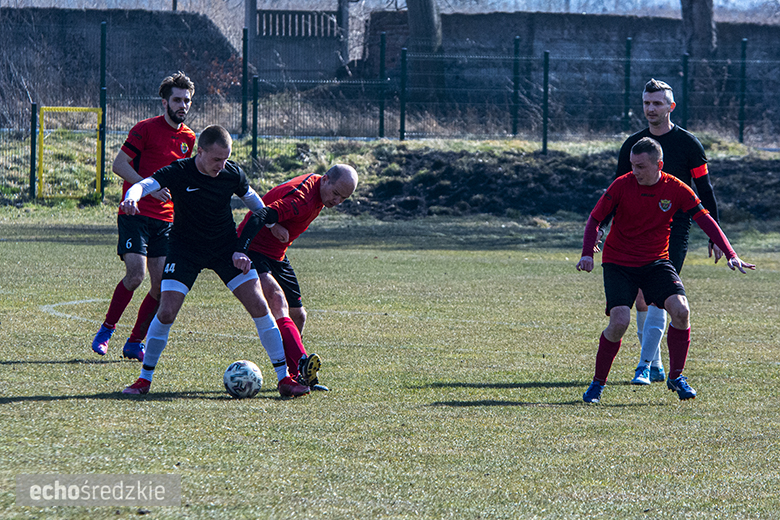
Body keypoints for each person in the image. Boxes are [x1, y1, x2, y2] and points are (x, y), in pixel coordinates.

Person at [118, 125, 310, 398]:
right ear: (201, 151)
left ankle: (284, 379)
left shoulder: (231, 173)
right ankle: (144, 380)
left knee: (258, 304)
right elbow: (144, 185)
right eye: (216, 159)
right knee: (167, 310)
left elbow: (256, 203)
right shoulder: (179, 170)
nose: (222, 165)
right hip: (185, 250)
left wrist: (271, 224)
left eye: (226, 159)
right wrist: (131, 198)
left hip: (225, 248)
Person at [576, 137, 754, 404]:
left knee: (681, 311)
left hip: (656, 262)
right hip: (619, 263)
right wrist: (587, 253)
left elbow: (704, 218)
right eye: (632, 165)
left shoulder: (676, 188)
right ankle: (598, 383)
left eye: (641, 166)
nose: (634, 171)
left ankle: (676, 377)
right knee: (619, 322)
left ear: (659, 164)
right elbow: (595, 218)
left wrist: (731, 253)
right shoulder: (622, 185)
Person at [613, 78, 722, 386]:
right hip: (636, 231)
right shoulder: (633, 146)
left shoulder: (688, 144)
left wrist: (714, 232)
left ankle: (644, 366)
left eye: (657, 103)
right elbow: (616, 191)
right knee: (640, 298)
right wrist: (602, 228)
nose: (651, 108)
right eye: (647, 103)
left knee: (660, 295)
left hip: (675, 229)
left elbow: (705, 189)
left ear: (670, 107)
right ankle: (655, 361)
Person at [91, 72, 196, 362]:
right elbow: (119, 164)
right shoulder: (145, 129)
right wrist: (147, 190)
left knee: (161, 287)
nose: (183, 105)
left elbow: (181, 179)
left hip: (165, 220)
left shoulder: (189, 138)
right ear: (165, 102)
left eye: (187, 101)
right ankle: (106, 330)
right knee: (135, 275)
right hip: (135, 212)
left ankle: (135, 342)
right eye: (177, 100)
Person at [235, 164, 359, 391]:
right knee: (276, 300)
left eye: (344, 198)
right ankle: (301, 362)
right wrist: (241, 251)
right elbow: (258, 216)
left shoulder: (320, 189)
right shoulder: (301, 199)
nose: (337, 201)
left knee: (298, 314)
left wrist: (276, 228)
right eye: (336, 194)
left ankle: (295, 376)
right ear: (326, 179)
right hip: (254, 248)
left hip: (277, 254)